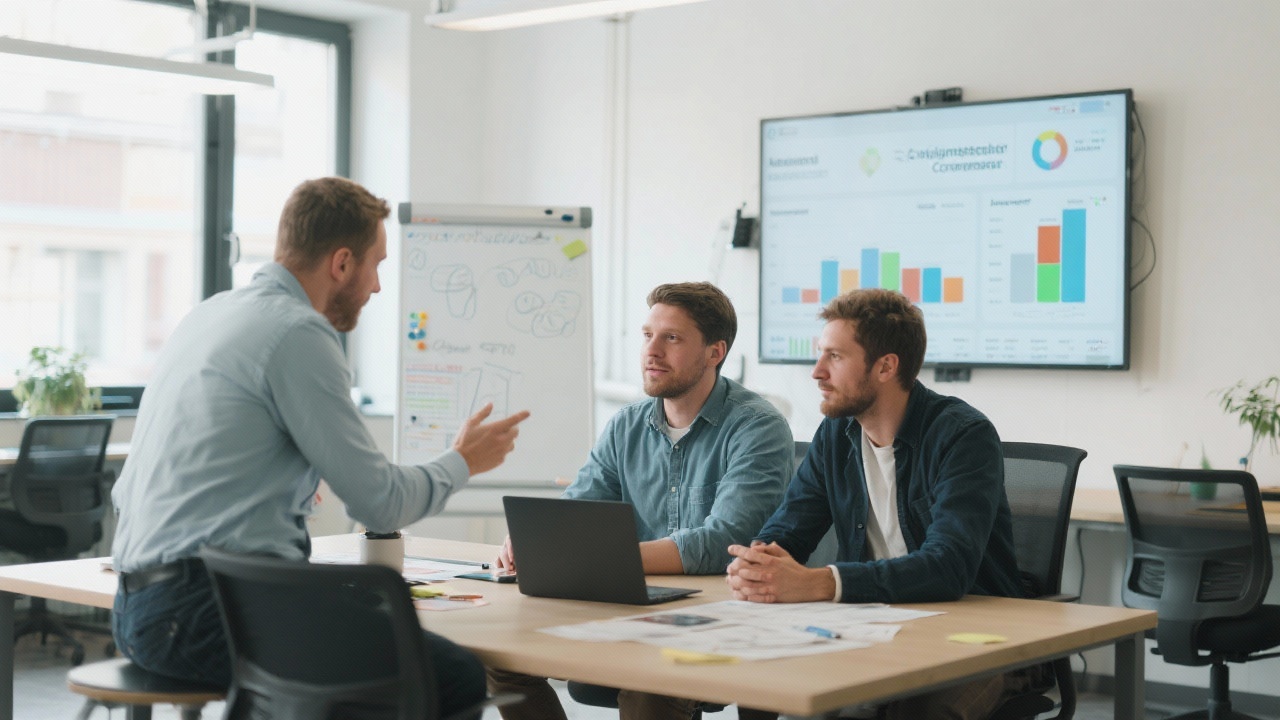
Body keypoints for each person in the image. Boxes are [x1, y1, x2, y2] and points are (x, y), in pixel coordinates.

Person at [110, 177, 529, 720]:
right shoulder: (297, 333)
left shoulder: (211, 315)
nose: (377, 286)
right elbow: (380, 505)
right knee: (450, 673)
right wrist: (463, 460)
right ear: (341, 263)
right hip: (205, 612)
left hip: (139, 606)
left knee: (365, 636)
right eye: (376, 265)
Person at [488, 282, 793, 720]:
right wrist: (535, 543)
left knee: (650, 686)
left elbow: (726, 540)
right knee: (502, 656)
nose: (652, 350)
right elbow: (579, 511)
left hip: (718, 616)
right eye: (647, 335)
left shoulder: (757, 426)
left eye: (672, 338)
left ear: (715, 352)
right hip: (632, 606)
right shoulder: (626, 425)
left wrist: (607, 557)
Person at [725, 288, 1033, 720]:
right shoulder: (836, 433)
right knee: (764, 680)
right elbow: (789, 529)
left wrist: (820, 583)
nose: (817, 372)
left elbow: (949, 567)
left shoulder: (962, 435)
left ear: (886, 366)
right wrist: (758, 564)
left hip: (978, 636)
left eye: (835, 357)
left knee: (919, 712)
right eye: (820, 354)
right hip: (873, 624)